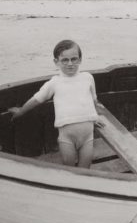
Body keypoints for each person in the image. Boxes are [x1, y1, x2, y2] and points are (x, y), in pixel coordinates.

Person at [10, 40, 104, 168]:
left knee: (85, 167)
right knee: (68, 166)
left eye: (74, 59)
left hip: (88, 135)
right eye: (65, 60)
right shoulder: (54, 83)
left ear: (80, 60)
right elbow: (37, 99)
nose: (70, 64)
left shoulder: (88, 78)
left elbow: (93, 99)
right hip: (67, 137)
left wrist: (95, 116)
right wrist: (20, 112)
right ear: (56, 62)